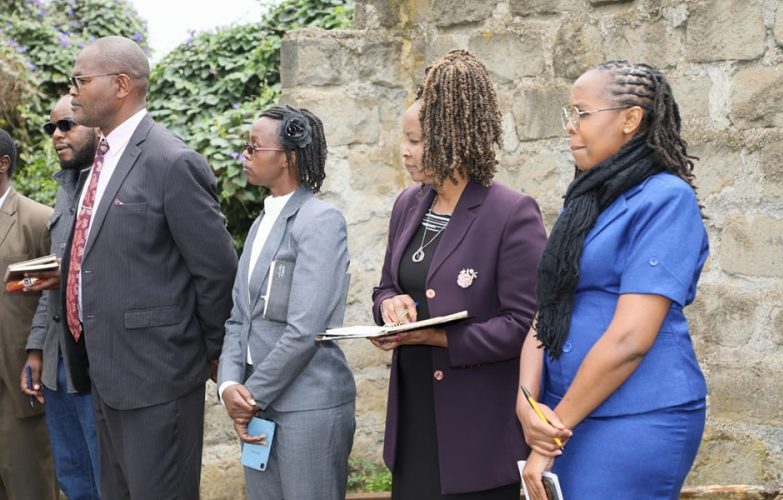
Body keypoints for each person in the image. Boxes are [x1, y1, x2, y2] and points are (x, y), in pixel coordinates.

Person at [517, 60, 708, 500]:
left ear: (630, 120)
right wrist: (527, 403)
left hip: (636, 415)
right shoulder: (585, 201)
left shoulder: (666, 200)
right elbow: (548, 308)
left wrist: (554, 430)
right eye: (569, 115)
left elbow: (629, 339)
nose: (570, 127)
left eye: (581, 114)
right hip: (564, 412)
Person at [62, 36, 238, 499]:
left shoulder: (171, 161)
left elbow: (216, 271)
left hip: (158, 379)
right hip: (105, 372)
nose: (73, 89)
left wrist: (208, 352)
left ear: (121, 85)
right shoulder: (96, 163)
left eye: (81, 79)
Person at [371, 49, 548, 499]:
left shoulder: (511, 213)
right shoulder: (408, 205)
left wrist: (435, 337)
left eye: (414, 140)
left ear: (451, 139)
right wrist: (389, 306)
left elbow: (524, 324)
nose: (405, 152)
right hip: (414, 419)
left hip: (476, 433)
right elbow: (387, 284)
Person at [218, 105, 356, 500]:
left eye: (253, 147)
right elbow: (238, 319)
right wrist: (230, 385)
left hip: (307, 408)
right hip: (257, 407)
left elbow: (305, 328)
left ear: (288, 158)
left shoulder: (320, 221)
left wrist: (250, 396)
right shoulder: (262, 222)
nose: (244, 154)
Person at [20, 95, 101, 500]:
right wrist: (36, 348)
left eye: (66, 125)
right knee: (72, 476)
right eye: (50, 128)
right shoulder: (66, 187)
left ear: (97, 123)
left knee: (106, 474)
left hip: (96, 358)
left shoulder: (110, 182)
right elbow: (53, 276)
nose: (56, 135)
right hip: (57, 361)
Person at [0, 128, 59, 499]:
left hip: (16, 384)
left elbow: (50, 300)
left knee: (29, 486)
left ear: (3, 164)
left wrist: (36, 354)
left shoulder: (39, 220)